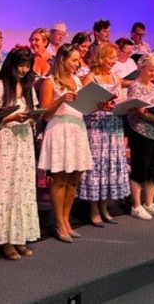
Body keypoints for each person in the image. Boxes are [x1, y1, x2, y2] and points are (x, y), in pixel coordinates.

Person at [0, 46, 41, 260]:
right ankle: (5, 240)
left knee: (22, 187)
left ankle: (19, 236)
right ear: (12, 64)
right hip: (4, 140)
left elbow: (34, 113)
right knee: (5, 186)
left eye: (27, 66)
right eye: (21, 65)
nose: (24, 70)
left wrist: (32, 117)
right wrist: (12, 118)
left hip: (23, 141)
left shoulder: (28, 87)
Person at [38, 44, 93, 243]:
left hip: (77, 129)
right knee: (60, 178)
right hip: (59, 130)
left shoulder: (77, 80)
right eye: (74, 60)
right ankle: (58, 222)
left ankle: (67, 220)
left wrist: (96, 104)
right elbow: (44, 114)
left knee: (74, 178)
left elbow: (82, 108)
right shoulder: (49, 82)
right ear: (62, 60)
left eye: (78, 60)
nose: (77, 64)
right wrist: (61, 99)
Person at [78, 43, 130, 226]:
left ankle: (105, 207)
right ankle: (93, 210)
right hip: (96, 127)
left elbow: (121, 99)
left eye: (115, 57)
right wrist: (98, 105)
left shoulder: (116, 76)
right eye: (110, 57)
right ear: (100, 57)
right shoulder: (91, 77)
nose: (113, 61)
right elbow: (82, 104)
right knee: (97, 168)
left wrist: (119, 105)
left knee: (109, 167)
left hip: (113, 125)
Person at [126, 53, 154, 220]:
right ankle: (136, 205)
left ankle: (149, 202)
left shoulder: (153, 87)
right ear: (142, 68)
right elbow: (142, 112)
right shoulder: (135, 87)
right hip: (140, 131)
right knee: (140, 167)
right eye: (152, 70)